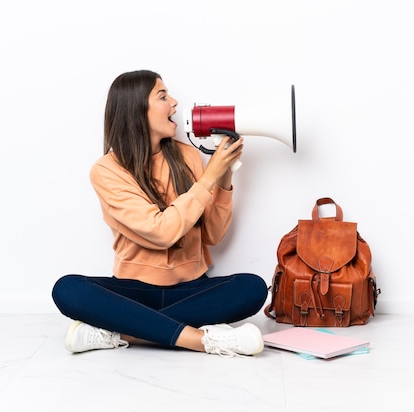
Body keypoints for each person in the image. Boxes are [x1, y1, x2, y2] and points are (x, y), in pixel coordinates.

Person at [52, 70, 268, 357]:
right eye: (163, 96)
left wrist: (224, 174)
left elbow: (214, 235)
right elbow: (162, 231)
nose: (175, 103)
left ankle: (122, 332)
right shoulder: (106, 170)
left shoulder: (188, 157)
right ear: (136, 109)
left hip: (191, 288)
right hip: (132, 292)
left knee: (252, 287)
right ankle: (202, 340)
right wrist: (208, 178)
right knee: (67, 289)